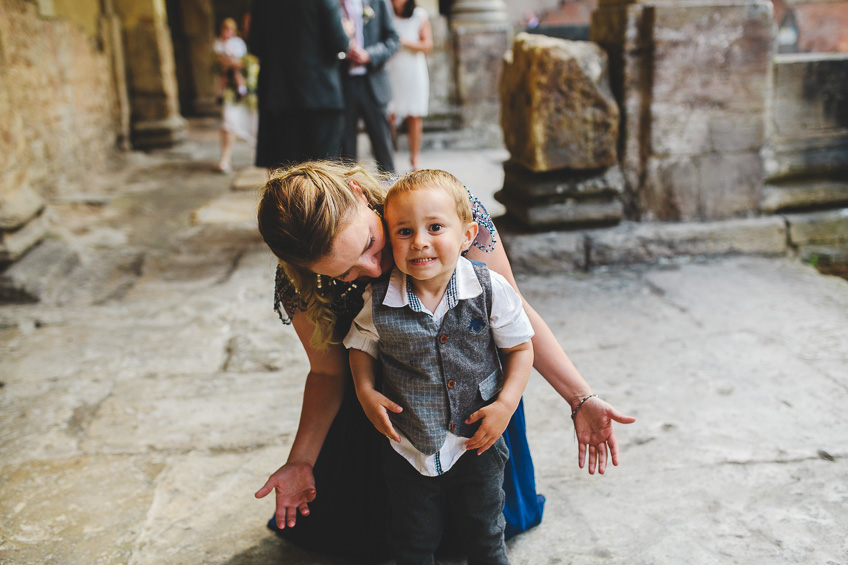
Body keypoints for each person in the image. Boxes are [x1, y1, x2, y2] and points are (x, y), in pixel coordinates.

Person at [254, 161, 635, 560]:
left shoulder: (438, 210)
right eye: (345, 273)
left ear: (360, 194)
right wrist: (301, 460)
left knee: (482, 524)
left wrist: (580, 398)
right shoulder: (299, 282)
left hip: (472, 393)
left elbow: (513, 314)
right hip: (390, 410)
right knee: (395, 535)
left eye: (368, 243)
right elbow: (328, 371)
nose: (371, 269)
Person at [346, 170, 534, 564]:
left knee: (485, 532)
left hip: (476, 442)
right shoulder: (378, 299)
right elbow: (362, 346)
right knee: (412, 539)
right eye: (403, 231)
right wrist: (365, 389)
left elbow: (521, 349)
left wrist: (506, 404)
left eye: (435, 227)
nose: (419, 242)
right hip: (409, 446)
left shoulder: (488, 289)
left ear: (466, 236)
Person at [248, 0, 352, 169]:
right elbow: (339, 43)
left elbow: (255, 45)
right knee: (323, 173)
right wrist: (346, 31)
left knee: (285, 172)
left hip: (279, 95)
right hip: (321, 96)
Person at [339, 0, 399, 174]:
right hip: (344, 83)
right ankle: (348, 197)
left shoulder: (378, 2)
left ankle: (389, 193)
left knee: (383, 149)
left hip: (373, 83)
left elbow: (393, 40)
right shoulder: (333, 4)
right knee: (346, 152)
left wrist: (369, 55)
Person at [387, 0, 432, 171]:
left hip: (413, 70)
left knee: (414, 114)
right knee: (389, 115)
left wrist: (404, 42)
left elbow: (427, 45)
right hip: (391, 69)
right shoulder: (386, 14)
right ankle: (389, 156)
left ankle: (415, 159)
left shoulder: (419, 15)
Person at [213, 18, 258, 173]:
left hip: (249, 92)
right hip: (230, 91)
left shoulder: (240, 44)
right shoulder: (220, 44)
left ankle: (259, 158)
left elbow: (248, 64)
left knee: (253, 124)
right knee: (228, 121)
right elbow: (217, 64)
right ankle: (225, 159)